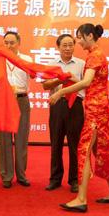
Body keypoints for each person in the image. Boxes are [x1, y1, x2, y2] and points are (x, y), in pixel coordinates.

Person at [49, 24, 109, 213]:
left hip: (96, 110)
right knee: (101, 149)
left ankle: (81, 198)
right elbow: (90, 82)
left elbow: (87, 82)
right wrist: (69, 78)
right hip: (99, 107)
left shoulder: (94, 55)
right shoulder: (96, 54)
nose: (78, 42)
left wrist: (61, 92)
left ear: (90, 36)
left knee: (84, 149)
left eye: (80, 38)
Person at [42, 34, 85, 193]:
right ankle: (55, 179)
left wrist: (72, 79)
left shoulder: (81, 64)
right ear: (58, 47)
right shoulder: (51, 65)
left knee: (75, 145)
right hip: (58, 105)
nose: (67, 48)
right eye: (64, 45)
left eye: (70, 45)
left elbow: (86, 85)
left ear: (74, 46)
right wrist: (59, 80)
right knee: (56, 144)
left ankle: (74, 180)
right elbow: (45, 86)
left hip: (76, 106)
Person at [0, 31, 32, 188]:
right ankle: (6, 176)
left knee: (21, 139)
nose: (9, 46)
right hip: (3, 102)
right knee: (4, 140)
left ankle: (21, 175)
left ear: (19, 43)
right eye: (6, 42)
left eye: (12, 42)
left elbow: (35, 75)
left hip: (21, 100)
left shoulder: (27, 59)